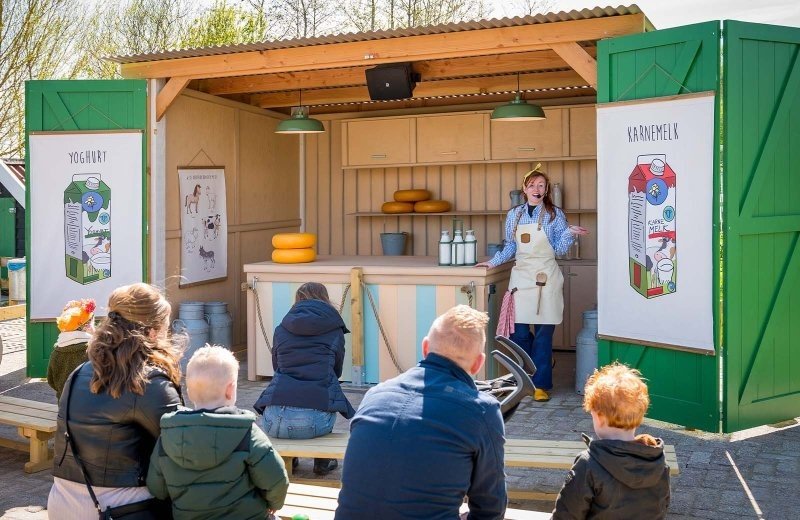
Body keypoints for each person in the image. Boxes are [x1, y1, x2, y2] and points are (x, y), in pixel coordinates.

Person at [335, 305, 507, 520]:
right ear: (478, 363)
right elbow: (491, 508)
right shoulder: (482, 410)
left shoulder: (375, 394)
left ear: (425, 347)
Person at [47, 283, 183, 518]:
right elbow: (183, 448)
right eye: (165, 327)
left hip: (62, 501)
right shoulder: (151, 383)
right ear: (151, 332)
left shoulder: (78, 373)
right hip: (119, 508)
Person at [476, 164, 588, 402]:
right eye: (532, 185)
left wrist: (569, 233)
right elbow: (511, 246)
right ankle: (532, 371)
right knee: (518, 334)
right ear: (524, 189)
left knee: (543, 336)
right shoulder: (514, 214)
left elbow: (558, 249)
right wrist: (492, 263)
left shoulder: (554, 214)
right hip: (522, 277)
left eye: (541, 185)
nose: (537, 189)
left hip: (546, 277)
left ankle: (540, 385)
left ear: (546, 189)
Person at [147, 345, 290, 518]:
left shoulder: (169, 435)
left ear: (189, 392)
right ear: (230, 390)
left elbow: (157, 488)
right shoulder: (246, 431)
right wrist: (274, 504)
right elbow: (275, 479)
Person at [254, 282, 355, 475]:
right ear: (325, 300)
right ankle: (322, 462)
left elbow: (278, 368)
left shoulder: (281, 328)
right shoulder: (334, 330)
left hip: (273, 420)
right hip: (312, 422)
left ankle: (291, 462)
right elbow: (336, 370)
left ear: (297, 300)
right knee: (326, 399)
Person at [552, 362, 670, 519]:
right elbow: (662, 507)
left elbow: (565, 515)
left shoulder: (588, 464)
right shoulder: (658, 462)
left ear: (599, 418)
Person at [46, 298, 95, 400]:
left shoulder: (56, 352)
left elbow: (51, 381)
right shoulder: (93, 350)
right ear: (87, 326)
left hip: (65, 408)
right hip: (91, 407)